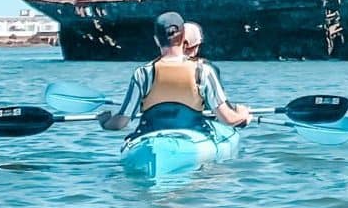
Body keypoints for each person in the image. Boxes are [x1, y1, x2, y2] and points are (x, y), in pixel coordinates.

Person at [100, 11, 252, 134]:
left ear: (156, 40)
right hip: (192, 137)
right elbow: (228, 119)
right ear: (183, 37)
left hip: (150, 138)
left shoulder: (143, 74)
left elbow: (120, 123)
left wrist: (105, 121)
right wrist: (243, 115)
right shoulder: (203, 71)